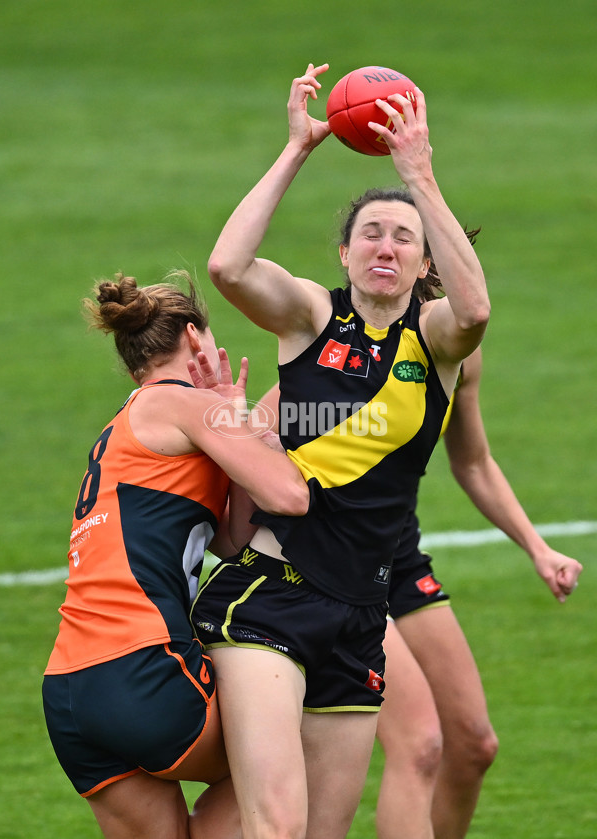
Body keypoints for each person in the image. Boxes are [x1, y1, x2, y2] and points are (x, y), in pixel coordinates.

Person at [191, 62, 490, 839]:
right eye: (370, 233)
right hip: (270, 594)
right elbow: (226, 267)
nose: (385, 245)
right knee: (279, 828)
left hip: (361, 614)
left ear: (425, 265)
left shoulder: (436, 343)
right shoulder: (309, 317)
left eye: (404, 238)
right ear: (346, 252)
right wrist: (296, 150)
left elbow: (477, 307)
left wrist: (419, 177)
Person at [255, 344, 583, 839]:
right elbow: (254, 432)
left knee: (473, 744)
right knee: (422, 742)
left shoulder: (461, 352)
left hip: (398, 555)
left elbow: (473, 462)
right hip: (336, 565)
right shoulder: (342, 339)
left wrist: (538, 549)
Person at [42, 271, 309, 839]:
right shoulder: (184, 406)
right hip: (144, 670)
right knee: (301, 738)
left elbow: (229, 541)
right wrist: (294, 379)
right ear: (195, 338)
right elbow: (288, 495)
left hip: (70, 691)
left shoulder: (129, 422)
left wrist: (235, 419)